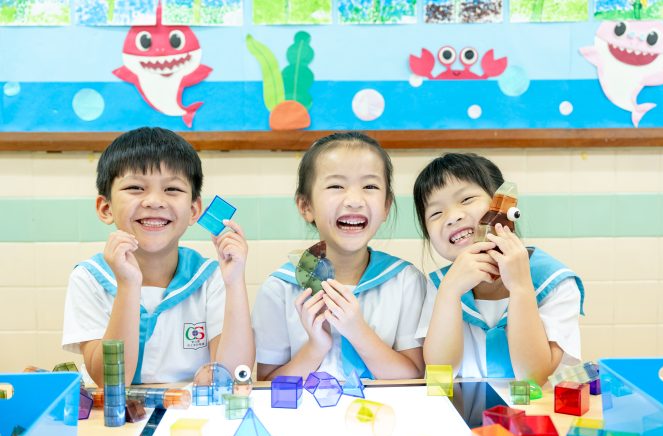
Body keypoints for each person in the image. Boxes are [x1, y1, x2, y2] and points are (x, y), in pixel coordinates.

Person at [62, 127, 254, 385]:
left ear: (194, 210)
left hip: (188, 407)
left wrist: (235, 282)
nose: (154, 201)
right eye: (135, 187)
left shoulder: (211, 277)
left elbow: (234, 373)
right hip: (115, 409)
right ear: (106, 208)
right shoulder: (89, 278)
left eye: (172, 189)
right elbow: (110, 382)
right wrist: (128, 286)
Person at [253, 132, 426, 381]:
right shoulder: (279, 288)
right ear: (306, 206)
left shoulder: (406, 281)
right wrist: (316, 347)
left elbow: (414, 377)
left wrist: (357, 331)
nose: (354, 201)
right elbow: (267, 384)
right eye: (336, 186)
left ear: (386, 206)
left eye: (370, 186)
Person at [413, 153, 584, 384]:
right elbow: (440, 372)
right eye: (435, 213)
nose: (452, 217)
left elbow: (534, 377)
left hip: (535, 407)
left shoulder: (554, 281)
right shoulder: (440, 285)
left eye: (466, 199)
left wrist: (521, 287)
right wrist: (449, 292)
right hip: (464, 406)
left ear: (504, 205)